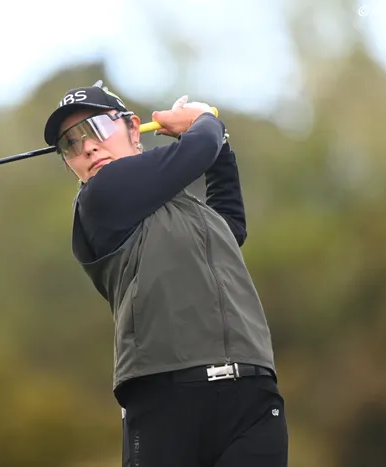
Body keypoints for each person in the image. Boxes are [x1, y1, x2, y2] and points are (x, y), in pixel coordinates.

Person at [42, 81, 288, 467]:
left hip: (250, 394)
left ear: (133, 128)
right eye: (70, 143)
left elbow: (231, 228)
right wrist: (204, 120)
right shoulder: (100, 197)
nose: (87, 147)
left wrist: (222, 148)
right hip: (166, 397)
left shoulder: (185, 210)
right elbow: (199, 147)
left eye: (97, 128)